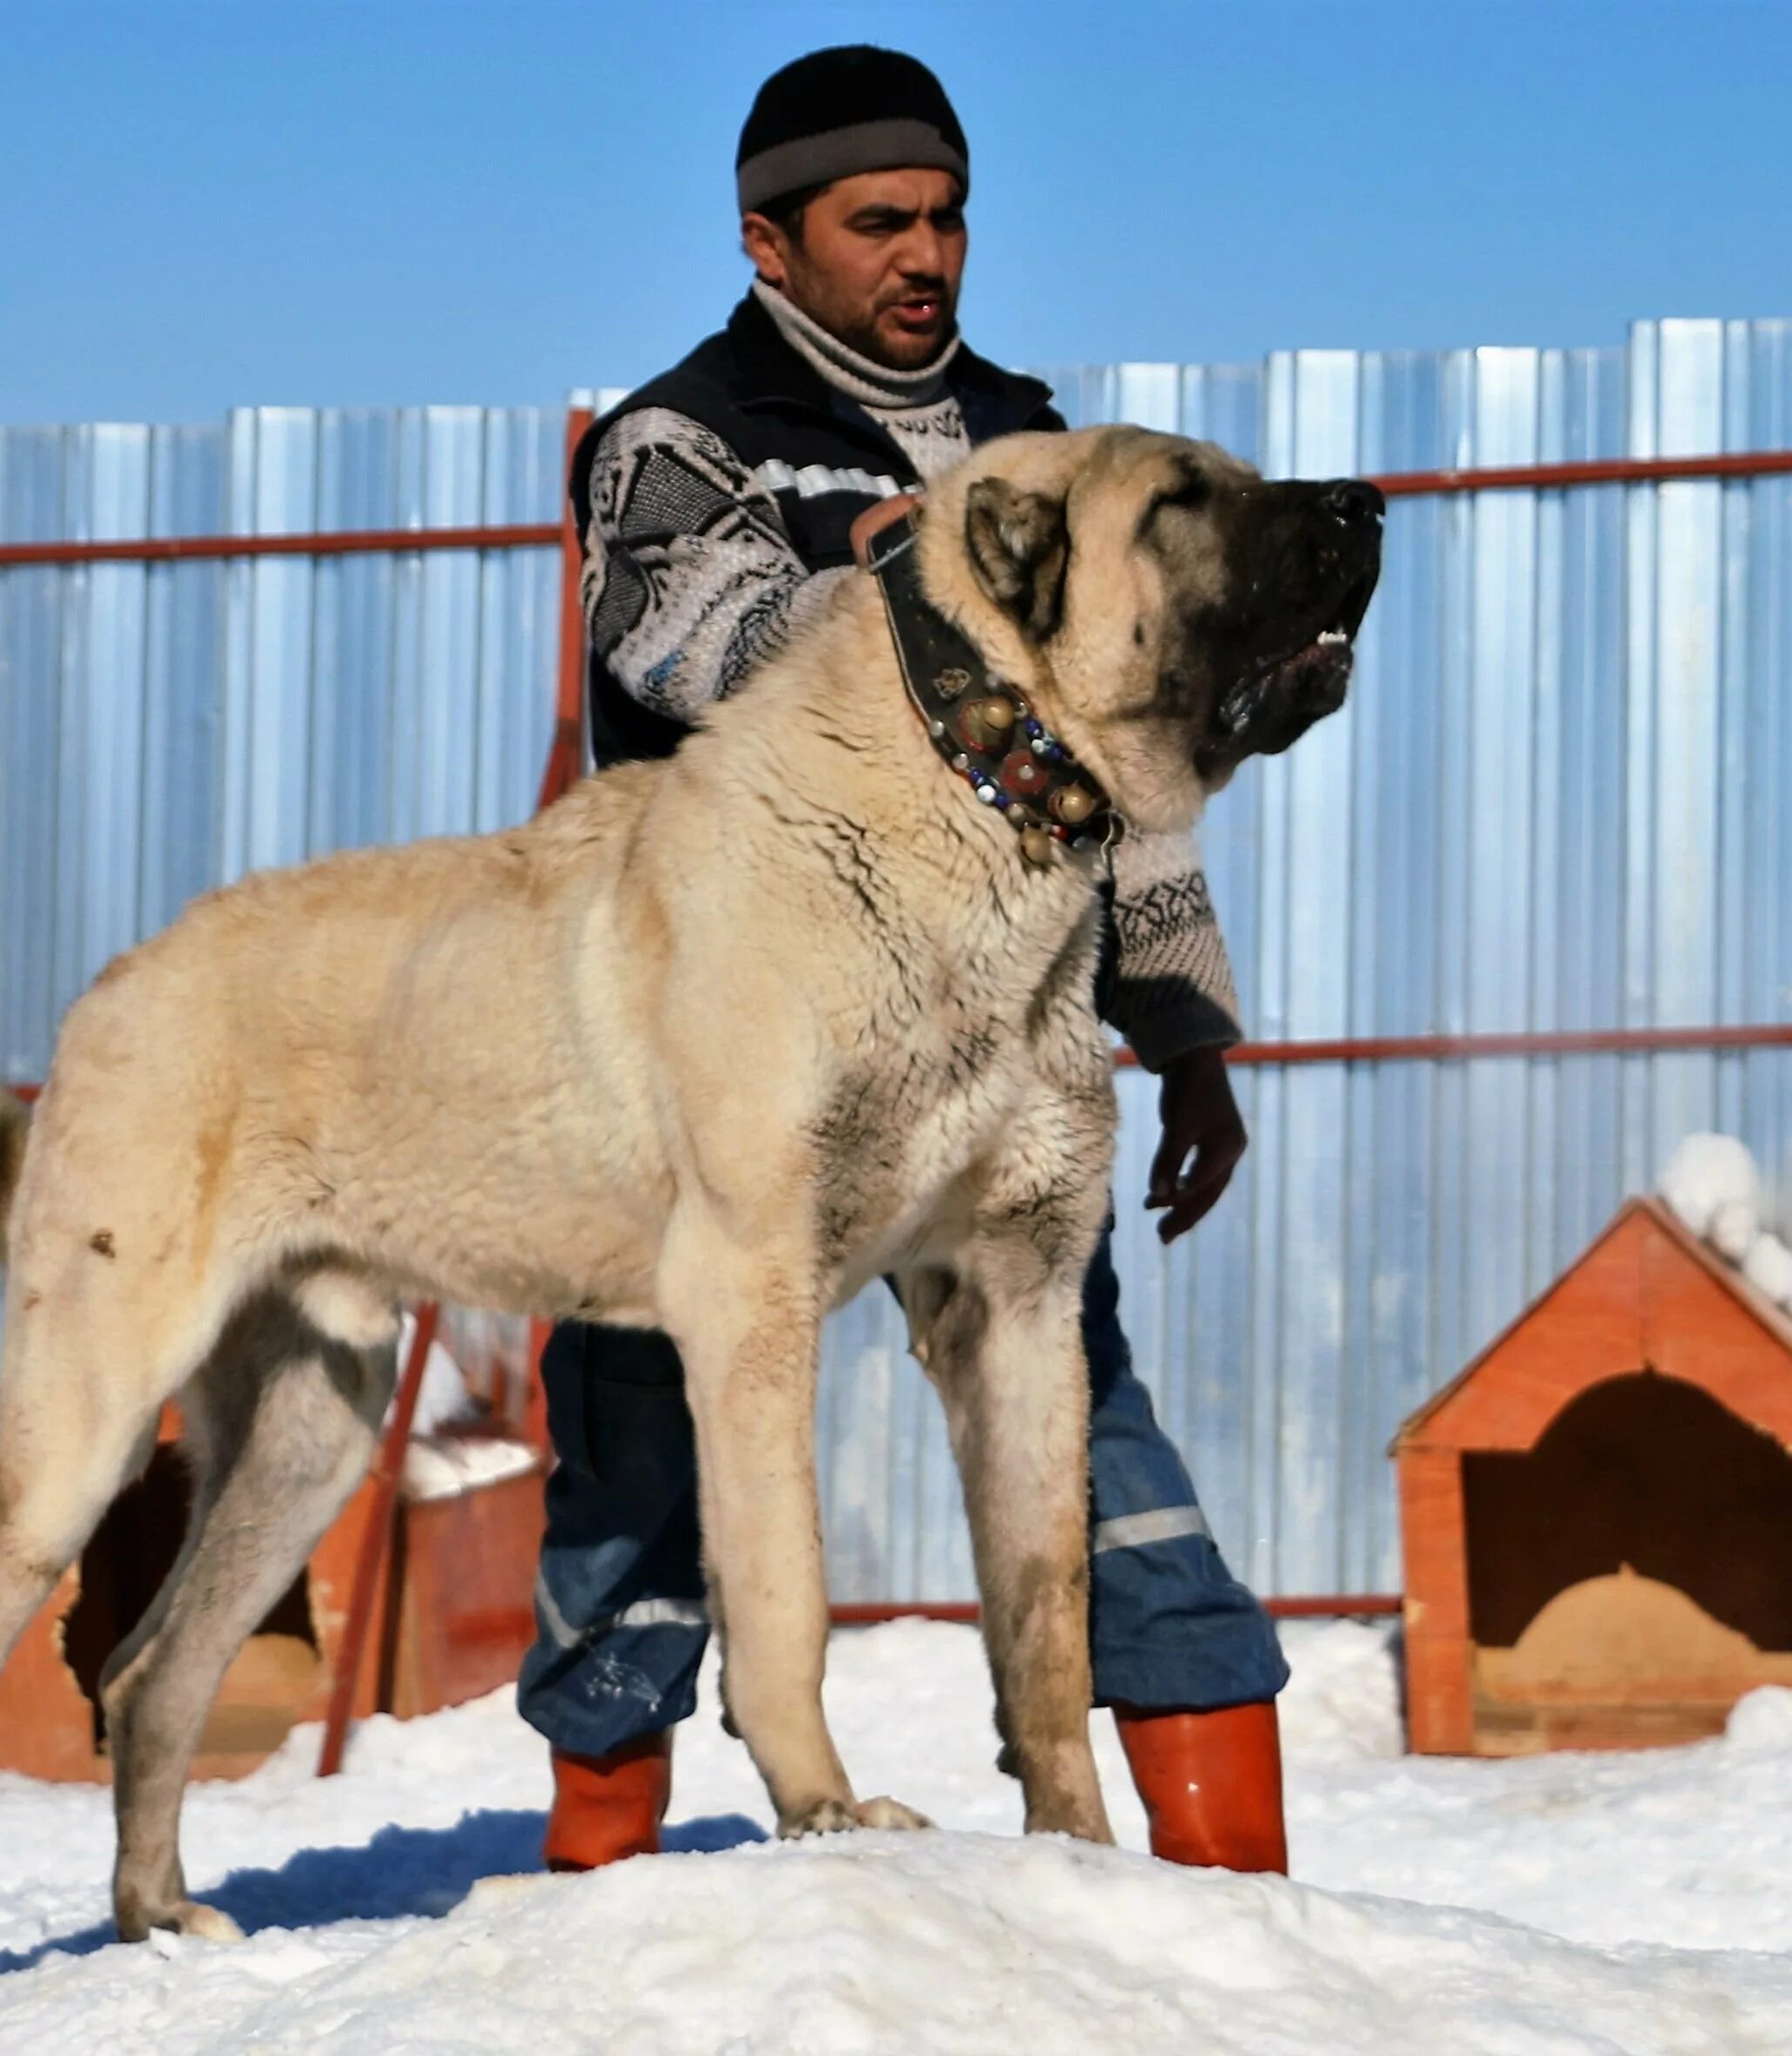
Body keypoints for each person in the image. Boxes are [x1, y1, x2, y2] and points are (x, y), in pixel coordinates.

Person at [517, 44, 1289, 1875]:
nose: (923, 252)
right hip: (740, 1050)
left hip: (999, 1057)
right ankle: (583, 1924)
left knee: (1096, 1445)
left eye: (944, 214)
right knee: (637, 1481)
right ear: (769, 242)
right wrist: (913, 575)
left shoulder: (1032, 428)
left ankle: (1224, 1922)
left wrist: (1180, 1025)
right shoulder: (677, 437)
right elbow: (685, 653)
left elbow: (1127, 739)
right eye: (878, 221)